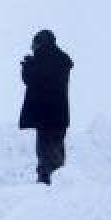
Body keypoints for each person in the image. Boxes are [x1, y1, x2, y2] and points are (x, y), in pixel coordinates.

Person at [19, 29, 73, 185]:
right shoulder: (61, 60)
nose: (33, 48)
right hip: (59, 116)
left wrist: (28, 66)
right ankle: (59, 183)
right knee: (56, 151)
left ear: (41, 43)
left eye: (34, 44)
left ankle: (47, 184)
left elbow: (32, 79)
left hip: (46, 116)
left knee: (45, 153)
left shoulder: (43, 60)